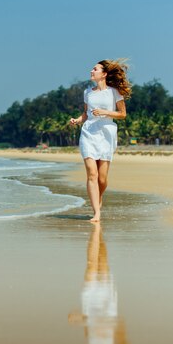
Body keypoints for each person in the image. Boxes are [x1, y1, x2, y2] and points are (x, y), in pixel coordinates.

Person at [69, 59, 131, 222]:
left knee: (102, 179)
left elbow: (122, 114)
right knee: (92, 174)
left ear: (103, 74)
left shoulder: (114, 92)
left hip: (106, 133)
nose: (91, 71)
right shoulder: (87, 92)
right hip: (89, 132)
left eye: (95, 69)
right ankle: (96, 212)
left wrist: (105, 111)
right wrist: (77, 120)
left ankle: (98, 197)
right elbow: (86, 114)